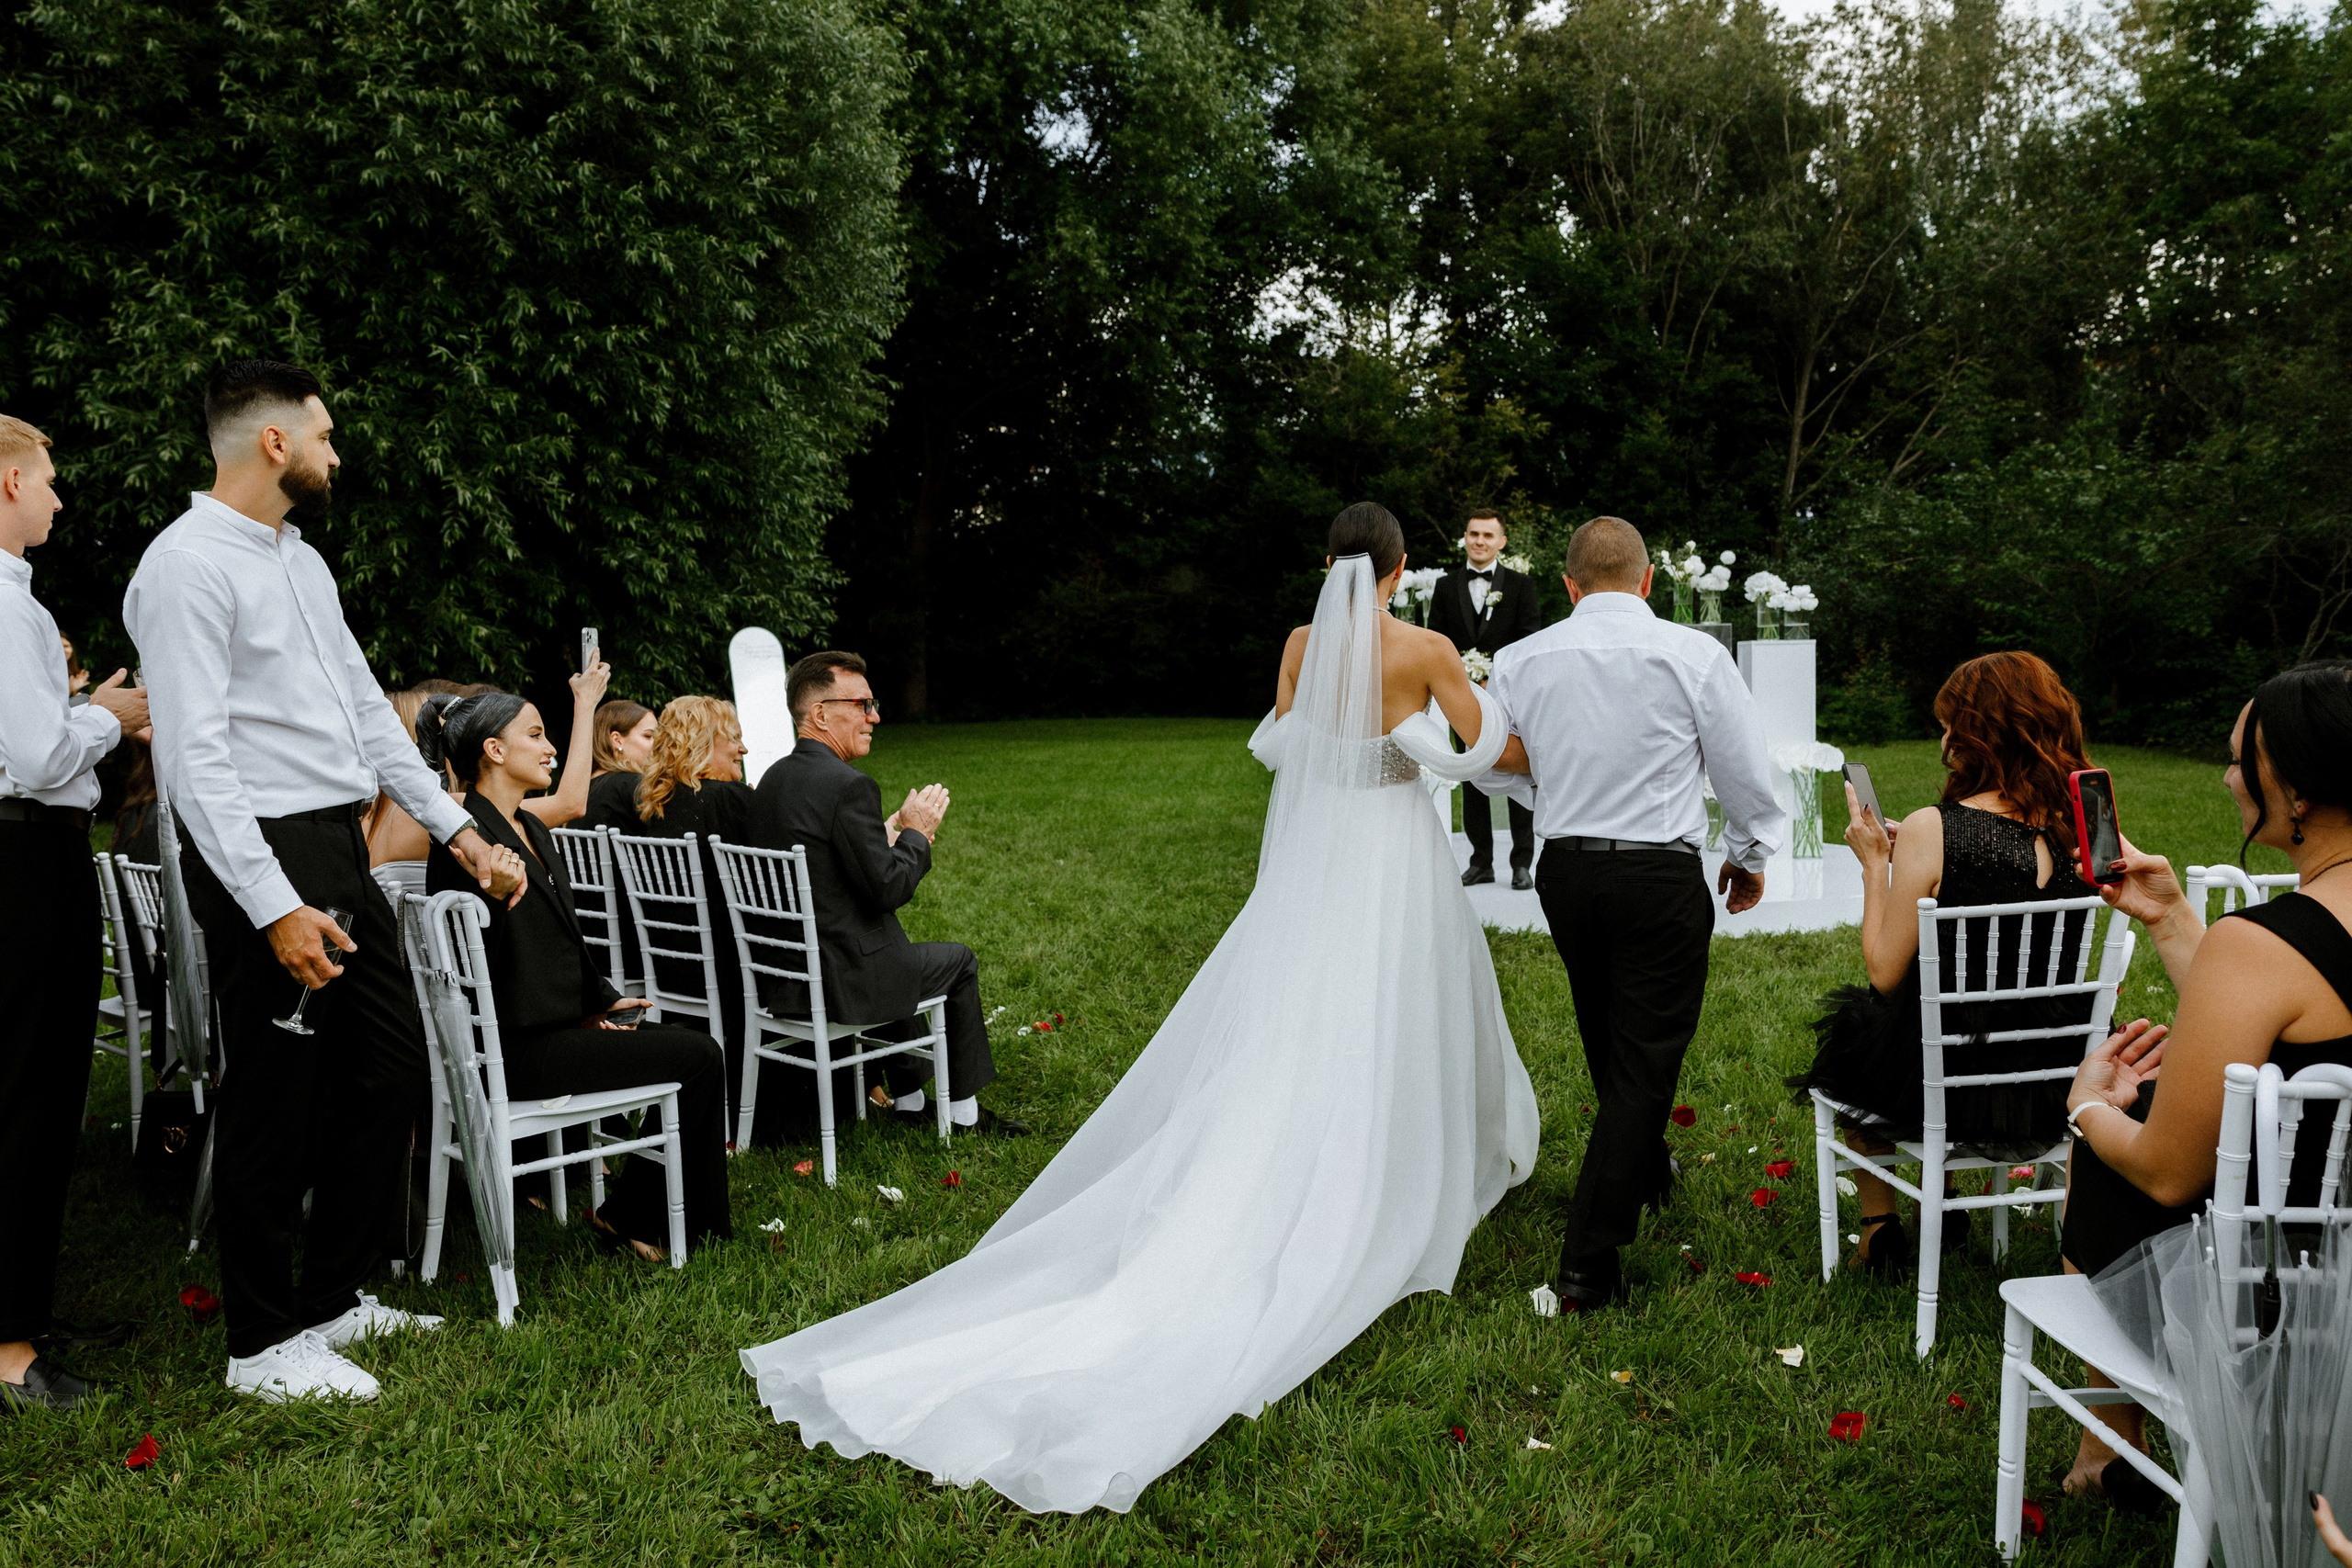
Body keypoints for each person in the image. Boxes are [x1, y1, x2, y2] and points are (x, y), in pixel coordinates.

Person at [739, 504, 1538, 1513]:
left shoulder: (1301, 643)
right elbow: (1481, 746)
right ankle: (1395, 1158)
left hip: (1321, 852)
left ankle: (1290, 1133)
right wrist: (1482, 751)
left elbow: (1286, 740)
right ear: (1400, 567)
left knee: (1299, 1002)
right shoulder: (1425, 649)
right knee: (1398, 994)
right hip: (1392, 845)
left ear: (1329, 561)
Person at [123, 360, 517, 1404]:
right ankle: (260, 1343)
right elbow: (195, 762)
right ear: (275, 442)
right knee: (273, 1095)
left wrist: (460, 832)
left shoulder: (300, 559)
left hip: (339, 845)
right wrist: (274, 905)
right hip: (262, 851)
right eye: (326, 435)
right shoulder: (184, 566)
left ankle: (335, 1296)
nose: (336, 454)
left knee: (388, 1066)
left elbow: (367, 715)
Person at [2052, 660, 2352, 1505]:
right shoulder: (2270, 948)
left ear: (2296, 790)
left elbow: (2167, 1171)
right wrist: (2174, 918)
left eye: (2239, 761)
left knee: (2109, 1152)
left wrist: (2086, 1107)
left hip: (2287, 1269)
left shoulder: (2262, 943)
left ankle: (2109, 1444)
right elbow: (2284, 1026)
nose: (2226, 778)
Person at [1482, 515, 1783, 1312]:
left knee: (1605, 1026)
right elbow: (1743, 770)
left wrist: (1554, 786)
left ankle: (1644, 1167)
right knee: (1645, 1051)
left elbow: (1489, 763)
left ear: (1570, 585)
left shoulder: (1520, 658)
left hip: (1565, 871)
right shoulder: (1693, 654)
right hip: (1658, 875)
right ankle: (1588, 1262)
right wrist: (1749, 853)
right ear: (1648, 580)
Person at [1786, 651, 2100, 1276]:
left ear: (1978, 731)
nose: (1943, 739)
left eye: (1949, 723)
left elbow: (1884, 972)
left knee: (1857, 1030)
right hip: (2058, 1072)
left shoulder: (1936, 827)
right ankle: (1948, 1202)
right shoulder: (2086, 820)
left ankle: (1879, 1228)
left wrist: (1878, 865)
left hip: (1949, 1076)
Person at [420, 693, 732, 1258]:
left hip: (549, 1027)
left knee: (693, 1045)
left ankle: (637, 1213)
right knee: (698, 1056)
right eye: (535, 734)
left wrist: (600, 1002)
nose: (550, 748)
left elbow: (560, 941)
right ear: (494, 750)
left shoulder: (528, 828)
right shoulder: (468, 843)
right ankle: (640, 1219)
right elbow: (476, 969)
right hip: (509, 1049)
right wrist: (495, 900)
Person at [0, 413, 149, 1412]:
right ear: (9, 483)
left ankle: (27, 1311)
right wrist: (108, 717)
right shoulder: (3, 601)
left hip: (32, 852)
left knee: (47, 1089)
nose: (59, 496)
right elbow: (36, 756)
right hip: (20, 859)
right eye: (47, 478)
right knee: (24, 1090)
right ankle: (10, 1350)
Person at [747, 655, 1016, 1133]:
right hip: (841, 979)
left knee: (893, 949)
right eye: (863, 704)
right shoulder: (848, 786)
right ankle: (964, 1113)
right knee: (956, 962)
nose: (874, 716)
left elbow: (826, 866)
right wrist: (917, 835)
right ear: (821, 714)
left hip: (785, 974)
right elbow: (889, 889)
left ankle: (910, 1101)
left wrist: (886, 836)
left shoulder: (773, 779)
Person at [584, 695, 758, 1128]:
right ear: (704, 743)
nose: (743, 748)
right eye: (734, 738)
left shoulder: (656, 805)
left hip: (669, 966)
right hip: (731, 969)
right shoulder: (728, 799)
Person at [1428, 509, 1543, 888]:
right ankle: (1481, 862)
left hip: (1510, 696)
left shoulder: (1521, 585)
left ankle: (1522, 863)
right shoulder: (1445, 586)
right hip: (1461, 695)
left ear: (1501, 542)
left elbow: (1529, 638)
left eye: (1488, 535)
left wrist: (1496, 673)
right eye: (1474, 534)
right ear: (1465, 537)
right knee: (1471, 772)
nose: (1480, 541)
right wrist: (1458, 675)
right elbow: (1435, 638)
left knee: (1519, 771)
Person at [592, 698, 657, 777]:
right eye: (648, 736)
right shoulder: (633, 781)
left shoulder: (584, 780)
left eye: (656, 737)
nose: (657, 743)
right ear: (617, 740)